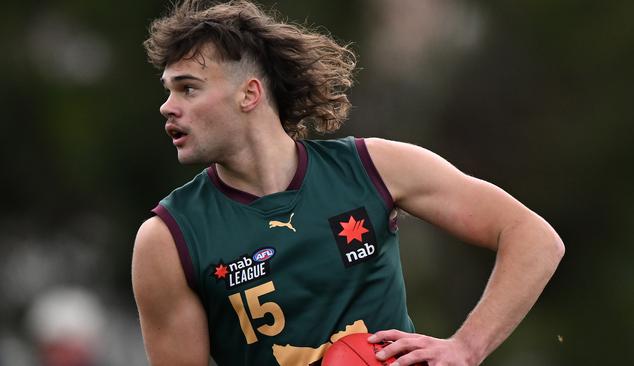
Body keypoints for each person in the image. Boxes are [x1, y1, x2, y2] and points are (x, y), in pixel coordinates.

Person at [131, 1, 565, 365]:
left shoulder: (373, 167)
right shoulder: (168, 240)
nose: (167, 107)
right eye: (168, 91)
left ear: (249, 94)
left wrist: (466, 348)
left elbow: (533, 238)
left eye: (188, 89)